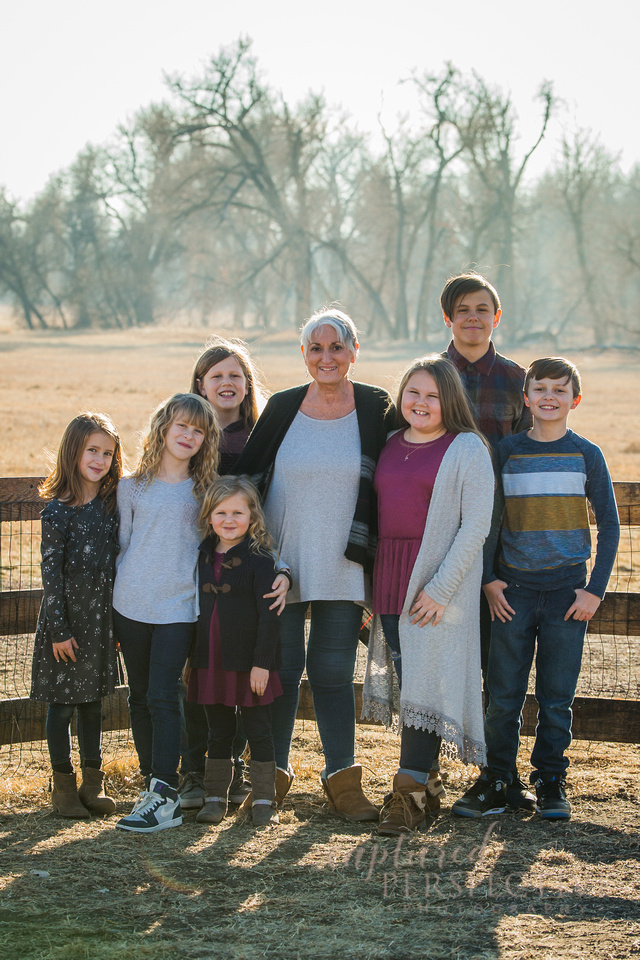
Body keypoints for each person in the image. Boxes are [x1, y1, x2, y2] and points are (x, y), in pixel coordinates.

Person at [233, 308, 396, 820]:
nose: (326, 357)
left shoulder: (374, 406)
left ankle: (342, 781)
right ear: (303, 355)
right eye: (315, 349)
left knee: (329, 671)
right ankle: (270, 778)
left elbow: (393, 473)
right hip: (281, 566)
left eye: (336, 347)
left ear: (353, 352)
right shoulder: (282, 407)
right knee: (280, 670)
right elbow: (247, 480)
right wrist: (252, 554)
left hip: (345, 563)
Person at [453, 357, 620, 821]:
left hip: (568, 594)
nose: (549, 396)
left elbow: (609, 524)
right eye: (540, 388)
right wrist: (488, 579)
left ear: (575, 400)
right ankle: (497, 777)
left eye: (559, 390)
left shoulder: (586, 454)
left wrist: (595, 590)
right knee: (503, 693)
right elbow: (487, 522)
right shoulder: (505, 451)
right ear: (525, 399)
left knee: (556, 695)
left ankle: (550, 778)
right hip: (514, 593)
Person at [362, 356, 494, 834]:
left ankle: (409, 796)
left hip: (439, 585)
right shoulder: (391, 443)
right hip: (391, 577)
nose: (421, 402)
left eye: (432, 395)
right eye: (413, 392)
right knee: (412, 685)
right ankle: (427, 786)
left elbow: (476, 524)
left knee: (424, 685)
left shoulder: (467, 448)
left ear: (449, 401)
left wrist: (440, 590)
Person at [179, 337, 287, 812]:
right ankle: (194, 776)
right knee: (198, 681)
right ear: (200, 383)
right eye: (216, 375)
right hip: (195, 564)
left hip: (248, 566)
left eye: (235, 375)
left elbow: (277, 509)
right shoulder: (185, 433)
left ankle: (239, 776)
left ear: (247, 386)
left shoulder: (263, 438)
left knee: (242, 686)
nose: (226, 383)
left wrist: (276, 565)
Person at [440, 271, 535, 811]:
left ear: (496, 317)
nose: (472, 318)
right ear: (448, 318)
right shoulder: (430, 377)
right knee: (446, 659)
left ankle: (500, 775)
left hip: (504, 545)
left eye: (483, 309)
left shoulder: (517, 380)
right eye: (462, 310)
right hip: (443, 538)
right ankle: (428, 773)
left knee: (502, 666)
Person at [113, 393, 218, 833]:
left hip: (179, 609)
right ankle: (149, 789)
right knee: (139, 697)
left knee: (163, 694)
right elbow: (122, 546)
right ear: (163, 428)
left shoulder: (206, 491)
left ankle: (167, 795)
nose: (189, 435)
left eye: (198, 430)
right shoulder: (130, 486)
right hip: (130, 605)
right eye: (182, 426)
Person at [30, 413, 124, 818]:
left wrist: (118, 626)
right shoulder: (57, 514)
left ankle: (92, 784)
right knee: (63, 706)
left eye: (108, 452)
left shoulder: (111, 507)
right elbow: (51, 579)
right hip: (65, 627)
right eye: (92, 450)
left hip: (101, 623)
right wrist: (59, 630)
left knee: (92, 705)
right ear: (74, 452)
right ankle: (63, 786)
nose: (100, 460)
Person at [187, 476, 284, 827]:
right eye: (221, 512)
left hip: (250, 664)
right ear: (209, 517)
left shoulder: (260, 560)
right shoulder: (200, 556)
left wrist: (262, 664)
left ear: (253, 517)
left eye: (238, 513)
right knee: (219, 732)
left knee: (258, 729)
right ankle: (215, 798)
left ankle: (263, 801)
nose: (229, 520)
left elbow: (270, 619)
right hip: (210, 662)